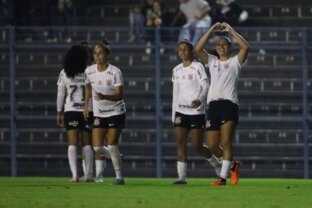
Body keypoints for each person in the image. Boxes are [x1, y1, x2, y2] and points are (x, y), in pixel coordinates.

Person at [194, 22, 249, 186]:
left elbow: (245, 47)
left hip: (229, 104)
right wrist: (211, 30)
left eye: (225, 44)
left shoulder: (235, 62)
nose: (221, 46)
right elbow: (197, 49)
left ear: (230, 47)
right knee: (211, 145)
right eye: (219, 44)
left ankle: (222, 178)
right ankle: (233, 165)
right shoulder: (212, 61)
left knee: (226, 141)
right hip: (213, 106)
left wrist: (231, 30)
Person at [171, 39, 222, 184]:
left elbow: (206, 85)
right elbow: (175, 93)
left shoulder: (198, 67)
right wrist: (173, 115)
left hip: (196, 112)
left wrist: (199, 99)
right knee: (180, 143)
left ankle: (216, 164)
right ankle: (182, 177)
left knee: (196, 145)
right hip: (181, 112)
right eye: (180, 50)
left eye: (186, 49)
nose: (183, 52)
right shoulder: (176, 70)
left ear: (191, 51)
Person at [84, 39, 126, 185]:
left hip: (116, 111)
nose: (97, 56)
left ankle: (119, 178)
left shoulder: (115, 72)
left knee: (112, 144)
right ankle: (117, 157)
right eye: (95, 53)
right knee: (97, 147)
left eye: (100, 53)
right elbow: (88, 88)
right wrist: (86, 106)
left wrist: (104, 96)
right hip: (99, 113)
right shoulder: (89, 71)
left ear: (107, 56)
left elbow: (119, 95)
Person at [56, 44, 94, 183]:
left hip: (70, 110)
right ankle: (88, 175)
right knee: (87, 144)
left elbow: (60, 95)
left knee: (72, 144)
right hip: (87, 110)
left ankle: (74, 176)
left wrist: (59, 112)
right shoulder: (89, 71)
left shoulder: (64, 72)